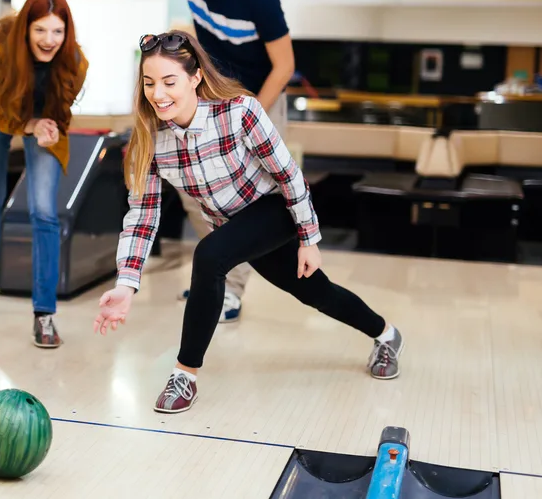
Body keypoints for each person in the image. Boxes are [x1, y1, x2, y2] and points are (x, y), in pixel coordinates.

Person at [93, 31, 403, 414]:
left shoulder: (239, 111)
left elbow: (289, 174)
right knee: (315, 292)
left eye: (169, 82)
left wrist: (308, 238)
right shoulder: (152, 139)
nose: (158, 93)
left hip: (276, 209)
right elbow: (142, 216)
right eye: (150, 83)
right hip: (233, 226)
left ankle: (184, 374)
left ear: (195, 78)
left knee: (209, 256)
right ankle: (386, 334)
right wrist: (127, 283)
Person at [120, 0, 297, 319]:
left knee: (253, 197)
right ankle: (222, 271)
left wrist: (250, 111)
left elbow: (284, 65)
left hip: (260, 98)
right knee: (195, 190)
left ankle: (230, 288)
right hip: (213, 96)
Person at [0, 0, 89, 349]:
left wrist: (47, 127)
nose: (49, 40)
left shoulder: (75, 61)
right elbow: (2, 114)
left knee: (44, 211)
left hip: (43, 120)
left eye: (57, 31)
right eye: (40, 30)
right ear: (25, 29)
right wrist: (27, 125)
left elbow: (62, 111)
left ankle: (44, 313)